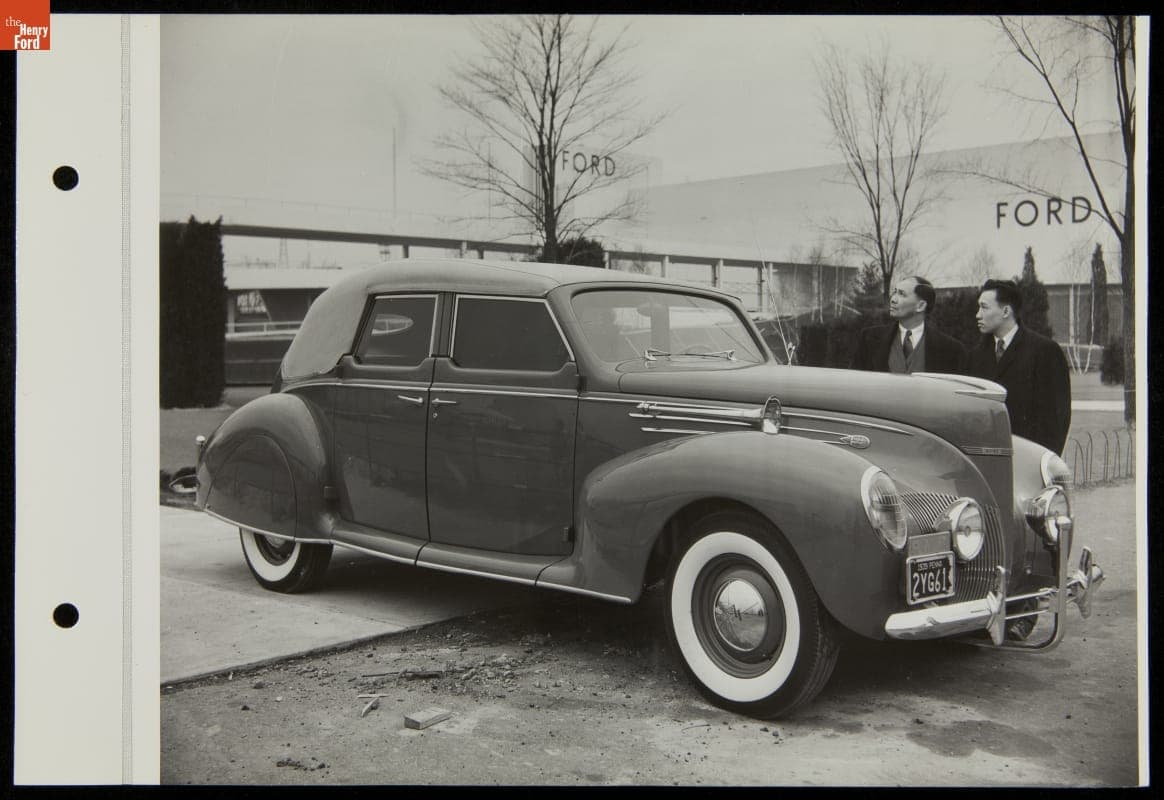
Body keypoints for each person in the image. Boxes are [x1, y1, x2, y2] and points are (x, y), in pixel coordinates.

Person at [967, 278, 1071, 454]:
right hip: (986, 462)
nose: (978, 314)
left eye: (984, 307)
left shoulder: (1045, 351)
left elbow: (1056, 418)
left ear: (1006, 311)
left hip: (1029, 460)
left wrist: (1041, 463)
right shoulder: (974, 355)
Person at [850, 276, 967, 374]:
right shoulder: (869, 339)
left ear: (920, 306)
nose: (893, 299)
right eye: (894, 292)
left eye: (902, 294)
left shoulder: (951, 350)